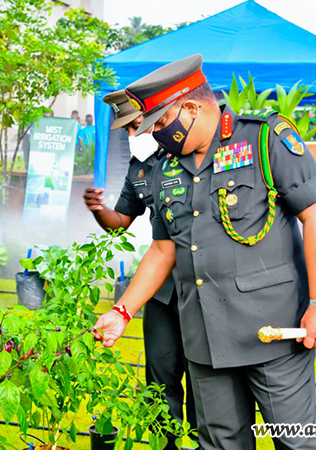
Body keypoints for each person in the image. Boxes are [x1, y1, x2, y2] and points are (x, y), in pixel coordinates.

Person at [93, 54, 316, 449]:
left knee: (298, 443)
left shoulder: (263, 139)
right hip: (204, 336)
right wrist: (122, 311)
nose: (154, 137)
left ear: (190, 108)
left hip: (272, 332)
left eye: (160, 125)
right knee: (221, 443)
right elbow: (162, 249)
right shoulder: (166, 165)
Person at [84, 89, 196, 450]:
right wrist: (98, 210)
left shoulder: (192, 156)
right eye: (127, 130)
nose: (133, 135)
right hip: (161, 291)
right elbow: (121, 221)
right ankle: (165, 446)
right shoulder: (141, 167)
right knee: (159, 381)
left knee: (204, 383)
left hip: (203, 287)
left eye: (137, 125)